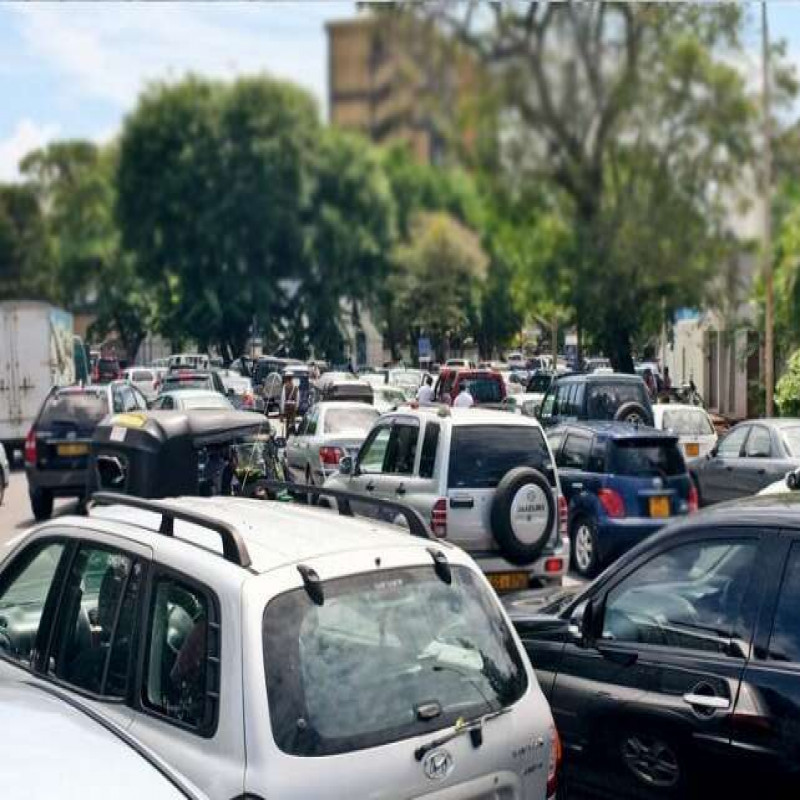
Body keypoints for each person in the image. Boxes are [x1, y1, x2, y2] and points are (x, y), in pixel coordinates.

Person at [280, 373, 299, 438]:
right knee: (293, 421)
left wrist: (282, 412)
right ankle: (293, 435)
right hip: (293, 407)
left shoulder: (285, 386)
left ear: (286, 378)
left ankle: (287, 436)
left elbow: (283, 399)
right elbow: (298, 398)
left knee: (287, 422)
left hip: (287, 407)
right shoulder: (296, 387)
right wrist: (296, 407)